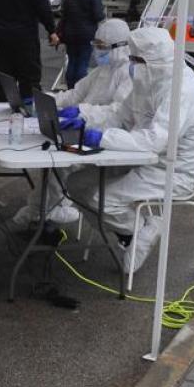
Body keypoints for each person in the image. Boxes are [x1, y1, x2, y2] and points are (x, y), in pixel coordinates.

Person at [80, 26, 194, 272]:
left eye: (135, 59)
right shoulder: (147, 80)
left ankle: (143, 228)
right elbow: (121, 117)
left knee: (100, 198)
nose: (130, 64)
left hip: (173, 170)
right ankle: (129, 234)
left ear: (154, 60)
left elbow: (155, 140)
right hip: (143, 159)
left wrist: (102, 138)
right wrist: (83, 121)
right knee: (77, 184)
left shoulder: (181, 90)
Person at [14, 18, 134, 229]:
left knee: (61, 165)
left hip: (108, 137)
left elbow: (118, 112)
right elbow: (74, 94)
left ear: (121, 47)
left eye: (102, 47)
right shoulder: (102, 71)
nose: (97, 51)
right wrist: (46, 100)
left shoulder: (129, 74)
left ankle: (41, 212)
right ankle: (40, 211)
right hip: (84, 130)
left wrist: (82, 112)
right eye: (95, 45)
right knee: (55, 162)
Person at [59, 0, 106, 88]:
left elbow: (64, 14)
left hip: (70, 33)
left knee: (72, 61)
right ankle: (79, 89)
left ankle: (70, 88)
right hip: (86, 34)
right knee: (82, 63)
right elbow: (98, 16)